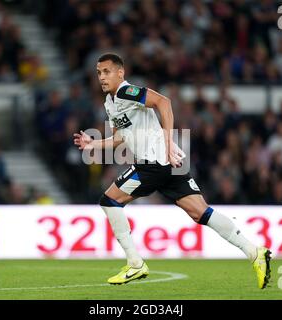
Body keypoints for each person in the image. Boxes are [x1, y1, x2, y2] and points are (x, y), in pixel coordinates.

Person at [73, 53, 271, 288]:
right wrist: (93, 144)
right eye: (98, 73)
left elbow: (163, 102)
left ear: (120, 73)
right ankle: (254, 252)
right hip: (170, 165)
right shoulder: (110, 102)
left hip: (154, 163)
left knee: (109, 201)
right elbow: (120, 137)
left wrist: (167, 144)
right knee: (200, 212)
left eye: (106, 72)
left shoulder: (127, 92)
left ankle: (135, 264)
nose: (102, 77)